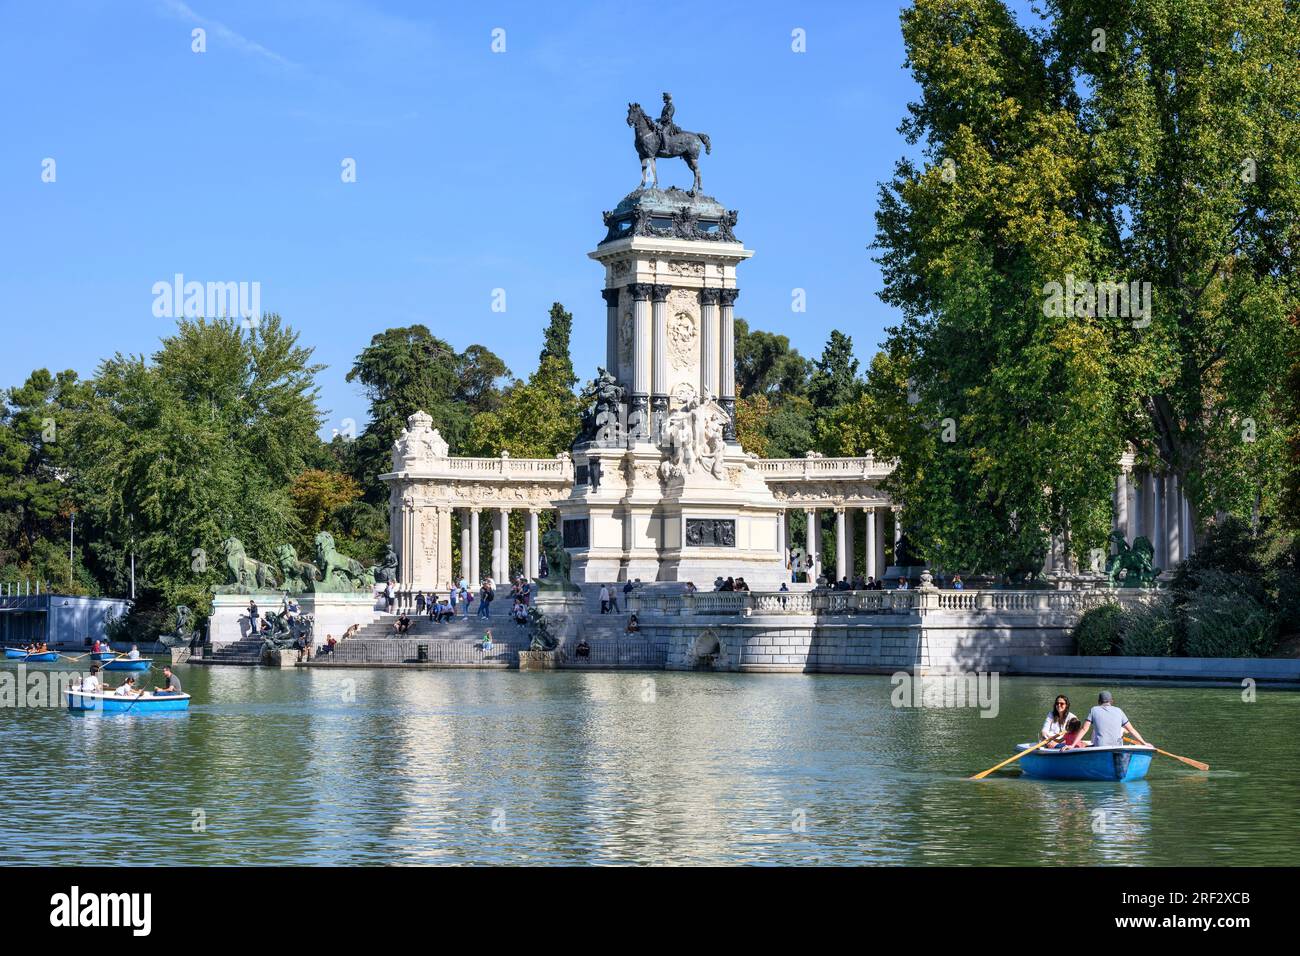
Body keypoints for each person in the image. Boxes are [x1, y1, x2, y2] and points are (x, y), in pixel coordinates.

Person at [1074, 691, 1149, 749]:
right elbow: (1132, 730)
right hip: (1118, 747)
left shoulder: (1094, 710)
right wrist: (1144, 743)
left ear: (1099, 702)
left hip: (1100, 747)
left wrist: (1072, 745)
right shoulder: (1119, 710)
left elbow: (1084, 729)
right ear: (1111, 701)